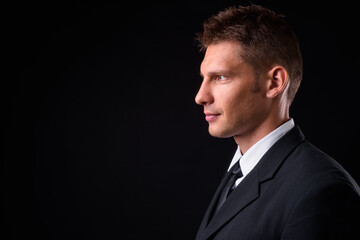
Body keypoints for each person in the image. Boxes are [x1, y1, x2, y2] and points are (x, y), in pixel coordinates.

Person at [194, 4, 360, 240]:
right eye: (203, 78)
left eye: (220, 77)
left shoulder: (321, 190)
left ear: (274, 82)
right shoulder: (238, 173)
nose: (200, 96)